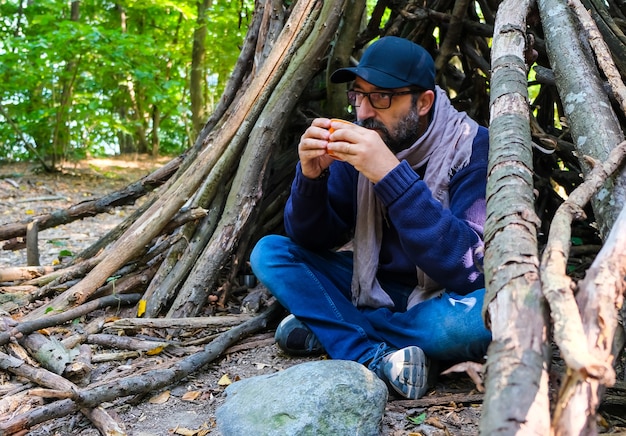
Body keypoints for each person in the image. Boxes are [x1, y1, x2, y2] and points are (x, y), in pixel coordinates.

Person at [250, 36, 492, 400]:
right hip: (374, 285)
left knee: (482, 322)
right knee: (270, 252)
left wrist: (391, 176)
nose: (363, 112)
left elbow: (470, 269)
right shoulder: (363, 139)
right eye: (358, 95)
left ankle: (333, 324)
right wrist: (311, 178)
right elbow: (314, 240)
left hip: (442, 296)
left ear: (423, 102)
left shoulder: (473, 147)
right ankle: (372, 356)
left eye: (381, 97)